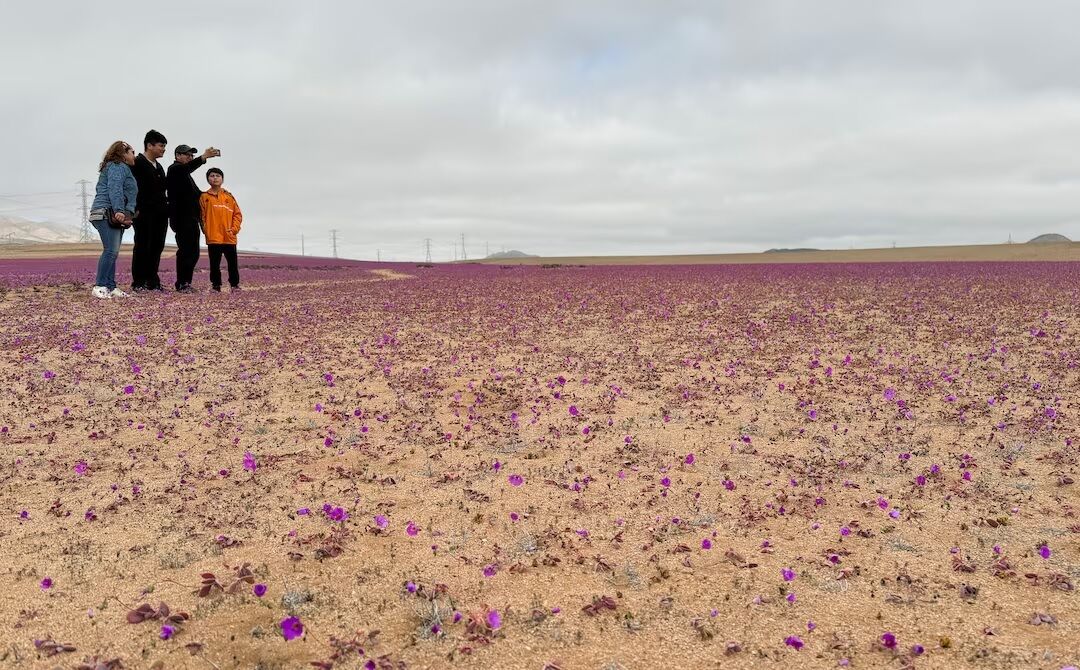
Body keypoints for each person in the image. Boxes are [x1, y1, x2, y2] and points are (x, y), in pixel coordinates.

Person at [167, 144, 220, 292]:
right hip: (182, 218)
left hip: (191, 219)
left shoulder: (186, 176)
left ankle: (185, 282)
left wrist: (214, 194)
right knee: (186, 252)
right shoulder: (175, 169)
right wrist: (203, 157)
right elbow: (187, 168)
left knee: (193, 252)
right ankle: (182, 283)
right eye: (187, 154)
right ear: (178, 156)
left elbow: (198, 195)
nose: (190, 157)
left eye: (192, 155)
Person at [89, 141, 137, 299]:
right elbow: (114, 188)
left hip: (113, 214)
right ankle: (100, 286)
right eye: (132, 152)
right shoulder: (117, 166)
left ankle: (110, 286)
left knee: (113, 252)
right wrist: (118, 210)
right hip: (106, 213)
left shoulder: (119, 167)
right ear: (123, 154)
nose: (134, 156)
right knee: (110, 250)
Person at [129, 129, 169, 292]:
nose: (163, 149)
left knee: (157, 247)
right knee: (142, 246)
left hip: (160, 214)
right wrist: (134, 209)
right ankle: (138, 282)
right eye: (161, 145)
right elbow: (130, 188)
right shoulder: (137, 163)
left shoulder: (159, 167)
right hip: (143, 214)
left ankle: (153, 281)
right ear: (149, 145)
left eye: (165, 146)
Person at [199, 167, 243, 291]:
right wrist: (206, 230)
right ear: (208, 179)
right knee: (214, 264)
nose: (215, 178)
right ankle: (216, 285)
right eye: (212, 176)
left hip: (229, 236)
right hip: (213, 237)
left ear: (222, 179)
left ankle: (234, 285)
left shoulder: (229, 197)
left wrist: (234, 230)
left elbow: (237, 215)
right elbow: (201, 216)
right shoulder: (204, 197)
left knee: (233, 264)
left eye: (218, 176)